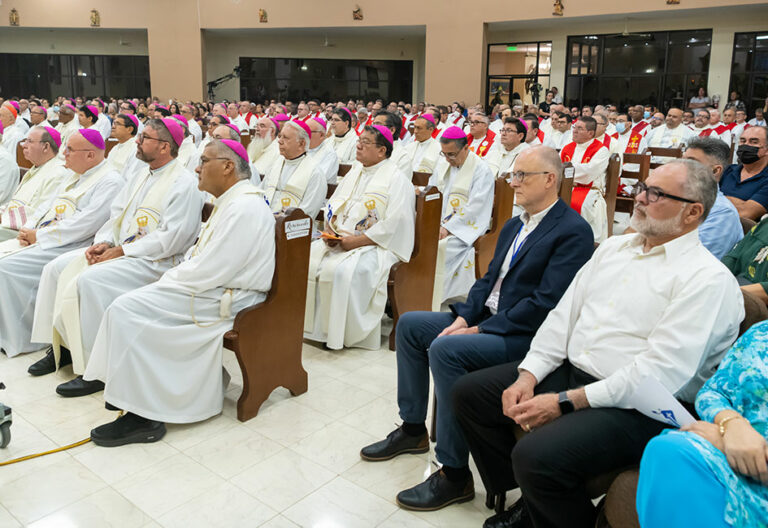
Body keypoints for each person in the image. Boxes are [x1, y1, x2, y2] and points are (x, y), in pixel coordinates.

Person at [454, 159, 745, 528]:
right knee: (471, 394)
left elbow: (657, 374)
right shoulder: (614, 248)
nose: (639, 198)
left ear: (692, 212)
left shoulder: (706, 279)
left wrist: (563, 402)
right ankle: (533, 502)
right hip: (577, 372)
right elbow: (563, 317)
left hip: (645, 407)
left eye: (655, 194)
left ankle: (553, 504)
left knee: (535, 455)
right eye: (642, 187)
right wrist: (529, 375)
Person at [360, 146, 593, 512]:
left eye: (522, 176)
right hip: (488, 319)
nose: (513, 183)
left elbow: (546, 303)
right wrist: (465, 318)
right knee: (411, 325)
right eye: (513, 175)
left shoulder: (573, 231)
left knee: (445, 350)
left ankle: (454, 473)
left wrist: (482, 331)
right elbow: (487, 281)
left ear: (550, 179)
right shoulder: (515, 224)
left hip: (524, 336)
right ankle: (412, 429)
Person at [83, 139, 274, 446]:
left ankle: (145, 417)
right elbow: (206, 261)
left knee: (126, 310)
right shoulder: (233, 201)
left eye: (204, 161)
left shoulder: (245, 206)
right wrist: (172, 279)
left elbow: (214, 268)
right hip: (214, 289)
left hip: (229, 298)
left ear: (228, 166)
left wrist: (168, 279)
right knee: (127, 306)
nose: (197, 168)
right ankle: (137, 400)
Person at [27, 119, 203, 397]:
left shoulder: (185, 184)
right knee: (56, 268)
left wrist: (122, 250)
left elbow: (172, 239)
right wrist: (105, 242)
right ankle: (64, 348)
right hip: (124, 250)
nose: (137, 141)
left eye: (144, 138)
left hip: (155, 262)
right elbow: (117, 215)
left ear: (164, 147)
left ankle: (95, 369)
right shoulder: (142, 175)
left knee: (90, 281)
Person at [0, 129, 122, 359]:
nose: (64, 153)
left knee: (4, 268)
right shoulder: (73, 175)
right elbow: (47, 205)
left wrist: (40, 236)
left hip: (71, 243)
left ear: (90, 155)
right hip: (47, 237)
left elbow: (86, 223)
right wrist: (30, 229)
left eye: (70, 150)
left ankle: (20, 336)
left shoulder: (110, 181)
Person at [636, 321, 768, 528]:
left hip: (759, 476)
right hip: (730, 452)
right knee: (666, 450)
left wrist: (726, 442)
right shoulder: (761, 332)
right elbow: (713, 391)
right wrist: (731, 424)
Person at [304, 125, 414, 350]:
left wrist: (357, 241)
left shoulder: (397, 179)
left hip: (376, 245)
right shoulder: (355, 172)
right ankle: (313, 329)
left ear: (382, 150)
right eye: (359, 140)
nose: (358, 145)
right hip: (341, 239)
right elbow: (333, 204)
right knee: (306, 260)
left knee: (342, 272)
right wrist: (330, 229)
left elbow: (395, 224)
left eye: (365, 142)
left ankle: (341, 334)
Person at [428, 126, 495, 307]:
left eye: (452, 154)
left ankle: (438, 298)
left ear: (466, 148)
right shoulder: (443, 165)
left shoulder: (481, 170)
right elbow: (432, 192)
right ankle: (418, 294)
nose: (447, 159)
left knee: (439, 249)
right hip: (438, 225)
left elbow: (476, 207)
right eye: (444, 154)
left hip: (463, 231)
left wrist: (448, 228)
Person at [0, 126, 67, 243]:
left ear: (46, 147)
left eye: (29, 141)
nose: (23, 145)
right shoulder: (37, 168)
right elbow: (14, 202)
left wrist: (3, 217)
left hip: (20, 231)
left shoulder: (58, 174)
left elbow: (41, 214)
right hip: (8, 224)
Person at [682, 138, 743, 259]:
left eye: (691, 163)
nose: (681, 167)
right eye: (681, 161)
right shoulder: (674, 198)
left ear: (715, 171)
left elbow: (695, 259)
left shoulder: (722, 213)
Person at [260, 119, 327, 219]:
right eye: (280, 136)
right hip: (264, 220)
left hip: (289, 226)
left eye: (285, 138)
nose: (279, 141)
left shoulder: (315, 173)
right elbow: (261, 193)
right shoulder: (275, 164)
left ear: (301, 143)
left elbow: (307, 213)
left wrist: (277, 220)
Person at [559, 116, 610, 242]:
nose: (574, 131)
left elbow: (589, 173)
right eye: (574, 127)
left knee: (581, 204)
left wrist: (567, 169)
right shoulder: (567, 148)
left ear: (590, 133)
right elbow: (556, 167)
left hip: (588, 189)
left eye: (580, 128)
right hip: (564, 187)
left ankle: (578, 241)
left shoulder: (601, 150)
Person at [719, 126, 768, 220]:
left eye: (754, 142)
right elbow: (699, 198)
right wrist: (740, 203)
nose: (746, 145)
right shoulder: (727, 170)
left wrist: (716, 197)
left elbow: (745, 213)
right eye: (743, 141)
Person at [105, 113, 139, 180]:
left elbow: (131, 178)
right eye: (113, 123)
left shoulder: (136, 149)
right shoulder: (115, 147)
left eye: (117, 124)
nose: (113, 127)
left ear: (129, 129)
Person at [306, 117, 340, 184]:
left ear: (321, 135)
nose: (304, 135)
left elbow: (319, 179)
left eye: (308, 132)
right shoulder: (302, 149)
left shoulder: (329, 154)